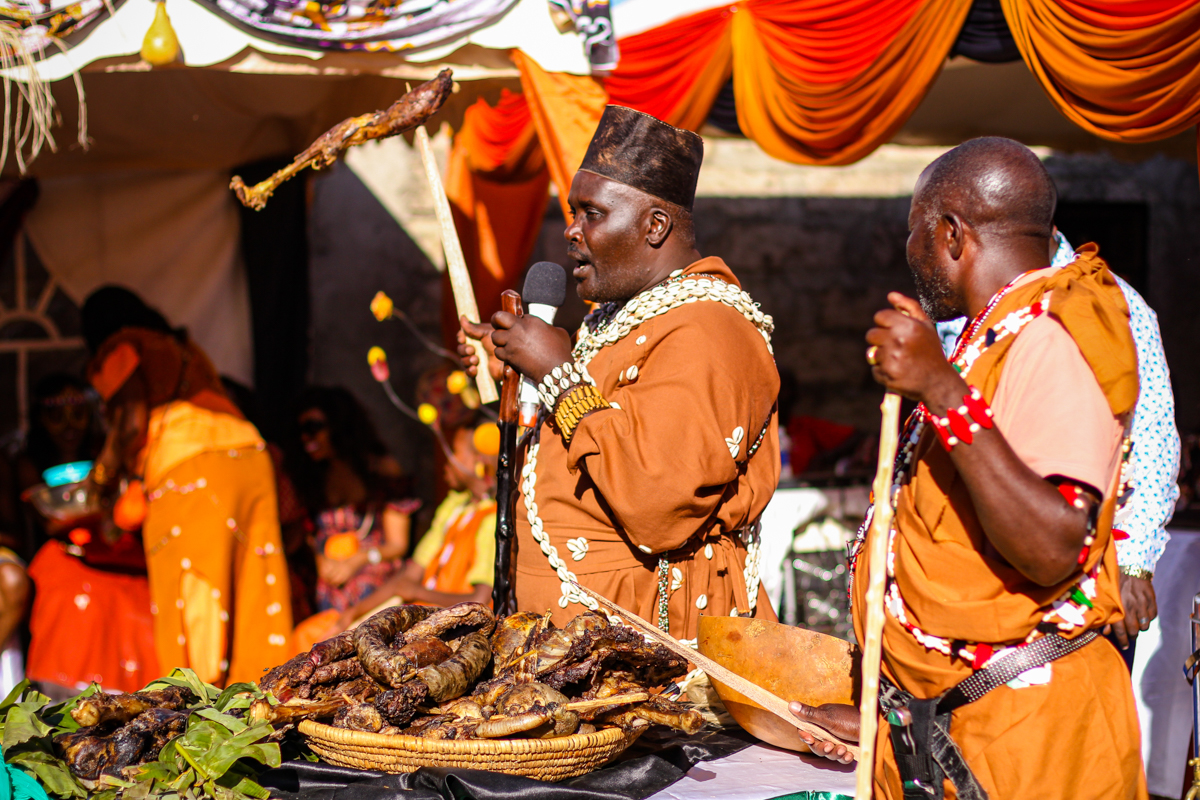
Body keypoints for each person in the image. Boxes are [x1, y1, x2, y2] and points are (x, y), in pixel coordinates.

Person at [792, 138, 1146, 798]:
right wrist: (885, 710)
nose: (910, 252)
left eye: (914, 234)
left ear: (951, 234)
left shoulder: (1050, 334)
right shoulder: (1001, 331)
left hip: (1033, 743)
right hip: (959, 725)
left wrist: (941, 390)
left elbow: (1052, 545)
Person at [459, 105, 779, 640]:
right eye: (572, 212)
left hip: (642, 658)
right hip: (561, 643)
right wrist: (520, 371)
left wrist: (557, 372)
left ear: (655, 227)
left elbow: (657, 502)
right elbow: (599, 426)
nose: (571, 231)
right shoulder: (623, 314)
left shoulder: (709, 328)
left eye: (592, 213)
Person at [936, 231, 1180, 668]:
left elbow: (1152, 434)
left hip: (1088, 567)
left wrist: (1135, 562)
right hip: (986, 562)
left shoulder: (1110, 302)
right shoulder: (974, 305)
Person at [82, 286, 292, 686]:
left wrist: (102, 479)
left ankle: (200, 706)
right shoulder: (181, 346)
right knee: (253, 582)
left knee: (194, 585)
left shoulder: (120, 345)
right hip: (250, 455)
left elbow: (129, 422)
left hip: (190, 467)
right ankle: (269, 694)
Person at [16, 373, 157, 697]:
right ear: (40, 419)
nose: (69, 426)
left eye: (77, 414)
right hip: (64, 551)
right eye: (56, 416)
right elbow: (48, 520)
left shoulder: (106, 455)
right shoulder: (29, 462)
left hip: (115, 548)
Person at [335, 419, 498, 625]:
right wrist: (355, 612)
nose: (446, 462)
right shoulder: (454, 505)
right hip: (421, 614)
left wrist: (417, 592)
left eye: (454, 452)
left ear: (478, 461)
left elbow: (480, 601)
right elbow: (410, 575)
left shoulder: (492, 519)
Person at [285, 387, 416, 615]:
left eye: (313, 427)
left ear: (339, 426)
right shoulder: (308, 476)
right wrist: (319, 562)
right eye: (301, 430)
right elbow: (300, 536)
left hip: (371, 568)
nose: (306, 437)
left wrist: (358, 560)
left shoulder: (381, 471)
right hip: (327, 573)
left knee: (364, 586)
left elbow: (398, 544)